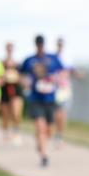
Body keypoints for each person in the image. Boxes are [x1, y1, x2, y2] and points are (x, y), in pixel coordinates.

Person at [21, 35, 63, 167]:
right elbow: (22, 75)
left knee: (49, 129)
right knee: (40, 126)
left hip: (50, 98)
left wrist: (56, 81)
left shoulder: (53, 59)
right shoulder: (29, 60)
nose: (40, 46)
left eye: (41, 44)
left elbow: (62, 72)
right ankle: (44, 156)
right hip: (36, 98)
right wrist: (25, 83)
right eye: (38, 44)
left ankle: (41, 142)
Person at [53, 37, 80, 147]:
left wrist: (78, 74)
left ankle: (60, 135)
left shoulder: (67, 58)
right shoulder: (54, 58)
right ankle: (57, 133)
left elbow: (73, 71)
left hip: (65, 89)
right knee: (57, 113)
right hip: (55, 89)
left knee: (63, 113)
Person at [0, 41, 24, 145]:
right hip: (5, 91)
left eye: (11, 48)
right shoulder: (2, 63)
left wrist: (17, 78)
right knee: (5, 114)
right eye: (8, 47)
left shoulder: (17, 64)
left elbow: (22, 78)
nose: (10, 49)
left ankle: (16, 132)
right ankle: (6, 131)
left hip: (16, 90)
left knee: (16, 112)